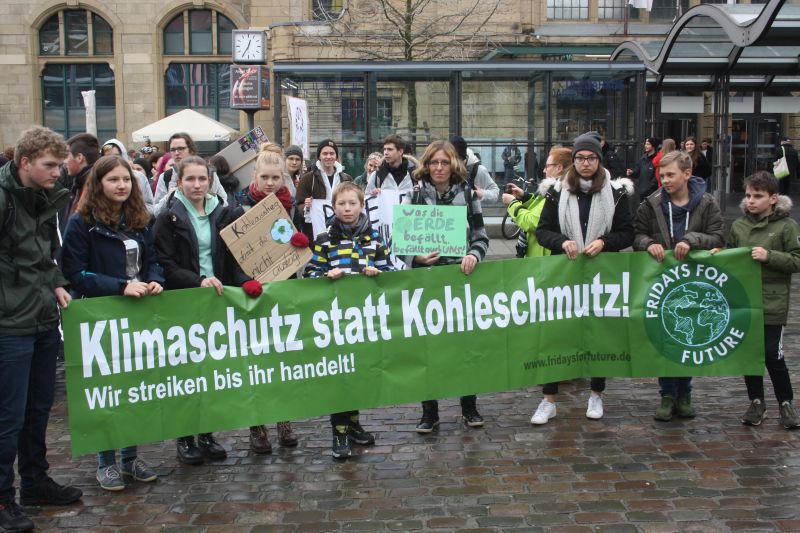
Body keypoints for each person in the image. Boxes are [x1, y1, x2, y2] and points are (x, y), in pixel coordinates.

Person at [60, 155, 163, 490]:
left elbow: (153, 259)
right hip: (101, 316)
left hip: (139, 314)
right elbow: (75, 273)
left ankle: (131, 458)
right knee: (107, 391)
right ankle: (105, 462)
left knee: (135, 389)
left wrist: (154, 279)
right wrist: (120, 286)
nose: (121, 185)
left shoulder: (139, 218)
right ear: (98, 184)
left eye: (126, 180)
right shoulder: (81, 222)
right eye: (113, 180)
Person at [0, 127, 82, 533]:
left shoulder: (46, 198)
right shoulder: (5, 200)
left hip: (43, 318)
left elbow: (47, 254)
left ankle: (34, 481)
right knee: (8, 417)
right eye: (49, 166)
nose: (57, 173)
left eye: (60, 165)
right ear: (24, 163)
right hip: (9, 323)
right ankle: (3, 498)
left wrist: (57, 281)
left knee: (37, 411)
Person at [153, 155, 256, 465]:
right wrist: (196, 281)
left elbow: (231, 259)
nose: (196, 185)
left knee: (211, 372)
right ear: (179, 182)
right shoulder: (167, 218)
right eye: (190, 179)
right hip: (185, 300)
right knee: (187, 373)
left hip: (217, 299)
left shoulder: (223, 213)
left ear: (211, 181)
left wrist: (246, 282)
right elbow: (166, 265)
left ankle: (207, 434)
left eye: (202, 179)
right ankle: (185, 437)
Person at [536, 132, 634, 421]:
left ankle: (596, 395)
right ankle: (548, 400)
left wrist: (605, 241)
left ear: (600, 160)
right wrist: (562, 242)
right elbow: (543, 230)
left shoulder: (616, 193)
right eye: (580, 158)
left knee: (599, 333)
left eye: (591, 158)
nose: (585, 163)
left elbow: (627, 232)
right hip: (565, 273)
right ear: (573, 161)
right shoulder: (556, 191)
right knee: (555, 334)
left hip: (601, 272)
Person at [403, 140, 489, 433]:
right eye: (434, 163)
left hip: (459, 279)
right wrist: (414, 256)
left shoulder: (466, 192)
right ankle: (430, 412)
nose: (439, 168)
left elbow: (480, 234)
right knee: (428, 348)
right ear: (426, 165)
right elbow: (400, 240)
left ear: (453, 164)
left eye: (444, 162)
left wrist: (473, 255)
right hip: (425, 281)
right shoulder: (413, 194)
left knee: (464, 345)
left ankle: (469, 406)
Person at [633, 151, 724, 421]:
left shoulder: (707, 204)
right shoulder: (651, 204)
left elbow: (719, 236)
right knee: (666, 339)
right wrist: (649, 244)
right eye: (662, 176)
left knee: (688, 337)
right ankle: (667, 394)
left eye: (670, 175)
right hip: (662, 282)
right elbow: (637, 234)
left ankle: (685, 392)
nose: (665, 180)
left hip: (694, 283)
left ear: (687, 173)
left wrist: (691, 239)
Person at [303, 181, 392, 458]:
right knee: (340, 375)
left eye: (352, 203)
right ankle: (338, 432)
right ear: (333, 206)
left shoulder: (375, 238)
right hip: (335, 321)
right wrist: (324, 276)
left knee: (358, 373)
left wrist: (378, 272)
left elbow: (389, 270)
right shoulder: (324, 239)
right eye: (341, 204)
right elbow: (309, 273)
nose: (347, 208)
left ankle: (353, 424)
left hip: (364, 321)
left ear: (362, 205)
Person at [232, 144, 300, 453]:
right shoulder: (239, 206)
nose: (270, 183)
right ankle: (257, 426)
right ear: (254, 176)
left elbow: (294, 246)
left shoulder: (290, 204)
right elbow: (233, 255)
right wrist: (245, 282)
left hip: (283, 289)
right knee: (256, 362)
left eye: (276, 177)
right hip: (253, 291)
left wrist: (300, 242)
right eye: (265, 177)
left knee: (283, 359)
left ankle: (284, 419)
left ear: (284, 178)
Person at [728, 171, 800, 429]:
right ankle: (756, 401)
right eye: (748, 195)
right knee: (751, 354)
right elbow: (729, 259)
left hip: (773, 303)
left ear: (773, 198)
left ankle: (785, 402)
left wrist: (770, 256)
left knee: (773, 354)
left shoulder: (787, 226)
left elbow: (797, 260)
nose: (751, 201)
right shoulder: (739, 226)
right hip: (745, 303)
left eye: (757, 196)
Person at [502, 146, 571, 262]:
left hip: (545, 260)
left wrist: (512, 203)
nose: (544, 170)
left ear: (559, 168)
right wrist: (524, 197)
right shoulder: (555, 189)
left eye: (547, 166)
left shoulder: (557, 193)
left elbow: (532, 222)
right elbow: (540, 206)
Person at [153, 132, 228, 215]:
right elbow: (156, 212)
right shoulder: (166, 177)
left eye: (181, 148)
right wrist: (168, 197)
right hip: (177, 225)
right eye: (173, 150)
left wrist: (207, 197)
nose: (176, 153)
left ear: (191, 150)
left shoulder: (209, 173)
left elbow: (224, 203)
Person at [296, 139, 353, 240]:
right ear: (319, 156)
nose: (328, 157)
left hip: (341, 232)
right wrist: (306, 205)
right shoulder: (308, 178)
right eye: (325, 153)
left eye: (332, 153)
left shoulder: (346, 178)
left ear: (336, 156)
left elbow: (353, 201)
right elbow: (299, 205)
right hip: (315, 232)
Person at [60, 133, 102, 235]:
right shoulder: (81, 183)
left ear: (79, 158)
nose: (64, 161)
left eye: (67, 156)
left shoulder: (95, 187)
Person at [101, 139, 155, 215]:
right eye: (107, 157)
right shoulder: (98, 177)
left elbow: (151, 207)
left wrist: (134, 209)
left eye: (116, 156)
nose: (112, 160)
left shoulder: (139, 177)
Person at [449, 135, 500, 203]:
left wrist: (481, 193)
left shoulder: (479, 170)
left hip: (470, 211)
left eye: (457, 160)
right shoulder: (444, 165)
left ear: (464, 158)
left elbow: (495, 193)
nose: (453, 165)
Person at [627, 137, 660, 202]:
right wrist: (632, 173)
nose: (645, 146)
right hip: (641, 192)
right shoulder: (643, 158)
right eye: (645, 144)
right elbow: (637, 173)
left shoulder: (657, 160)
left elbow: (656, 179)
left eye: (648, 144)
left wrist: (649, 189)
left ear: (653, 146)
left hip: (652, 193)